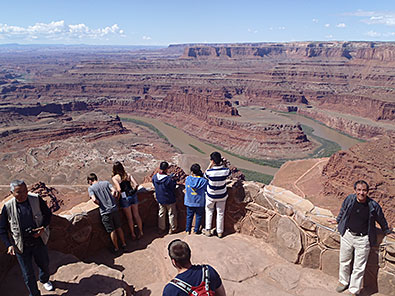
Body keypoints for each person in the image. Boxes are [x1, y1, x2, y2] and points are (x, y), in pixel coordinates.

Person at [334, 180, 392, 296]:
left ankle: (354, 290)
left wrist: (386, 230)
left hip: (363, 239)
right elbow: (343, 211)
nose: (361, 193)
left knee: (359, 267)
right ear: (355, 190)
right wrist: (337, 220)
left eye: (364, 190)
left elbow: (381, 218)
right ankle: (343, 281)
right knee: (344, 260)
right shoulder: (349, 199)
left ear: (367, 192)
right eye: (359, 190)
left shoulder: (373, 206)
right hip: (347, 235)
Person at [0, 180, 53, 296]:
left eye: (25, 191)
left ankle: (44, 280)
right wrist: (9, 245)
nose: (23, 194)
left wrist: (42, 227)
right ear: (12, 193)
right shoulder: (8, 207)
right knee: (27, 274)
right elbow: (2, 229)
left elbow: (47, 214)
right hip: (21, 245)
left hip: (38, 239)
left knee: (44, 263)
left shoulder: (35, 199)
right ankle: (34, 294)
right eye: (19, 192)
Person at [87, 173, 126, 252]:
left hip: (105, 212)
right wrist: (112, 199)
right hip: (114, 208)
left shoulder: (91, 189)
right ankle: (124, 244)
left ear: (90, 181)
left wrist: (101, 204)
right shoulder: (106, 183)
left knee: (112, 230)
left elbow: (94, 199)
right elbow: (114, 191)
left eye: (88, 182)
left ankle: (116, 248)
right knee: (118, 227)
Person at [112, 161, 143, 239]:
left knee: (130, 218)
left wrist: (118, 198)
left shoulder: (115, 178)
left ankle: (133, 234)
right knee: (136, 215)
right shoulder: (128, 175)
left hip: (125, 198)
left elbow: (119, 189)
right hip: (133, 195)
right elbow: (136, 184)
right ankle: (141, 231)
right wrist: (134, 190)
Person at [203, 152, 231, 238]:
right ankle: (219, 232)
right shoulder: (225, 171)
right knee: (220, 213)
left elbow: (205, 174)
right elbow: (229, 173)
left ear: (212, 161)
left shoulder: (210, 172)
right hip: (222, 196)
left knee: (209, 211)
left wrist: (210, 165)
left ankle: (208, 230)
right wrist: (225, 164)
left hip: (211, 196)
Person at [152, 161, 177, 234]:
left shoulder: (155, 177)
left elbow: (154, 184)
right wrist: (174, 179)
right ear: (166, 169)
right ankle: (172, 229)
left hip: (160, 198)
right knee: (171, 214)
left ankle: (161, 228)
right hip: (169, 199)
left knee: (161, 213)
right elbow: (173, 187)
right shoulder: (168, 179)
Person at [184, 164, 208, 235]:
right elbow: (206, 189)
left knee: (189, 216)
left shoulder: (188, 179)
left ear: (192, 171)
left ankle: (187, 230)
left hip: (189, 201)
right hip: (199, 201)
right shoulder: (203, 181)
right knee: (198, 216)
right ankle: (196, 230)